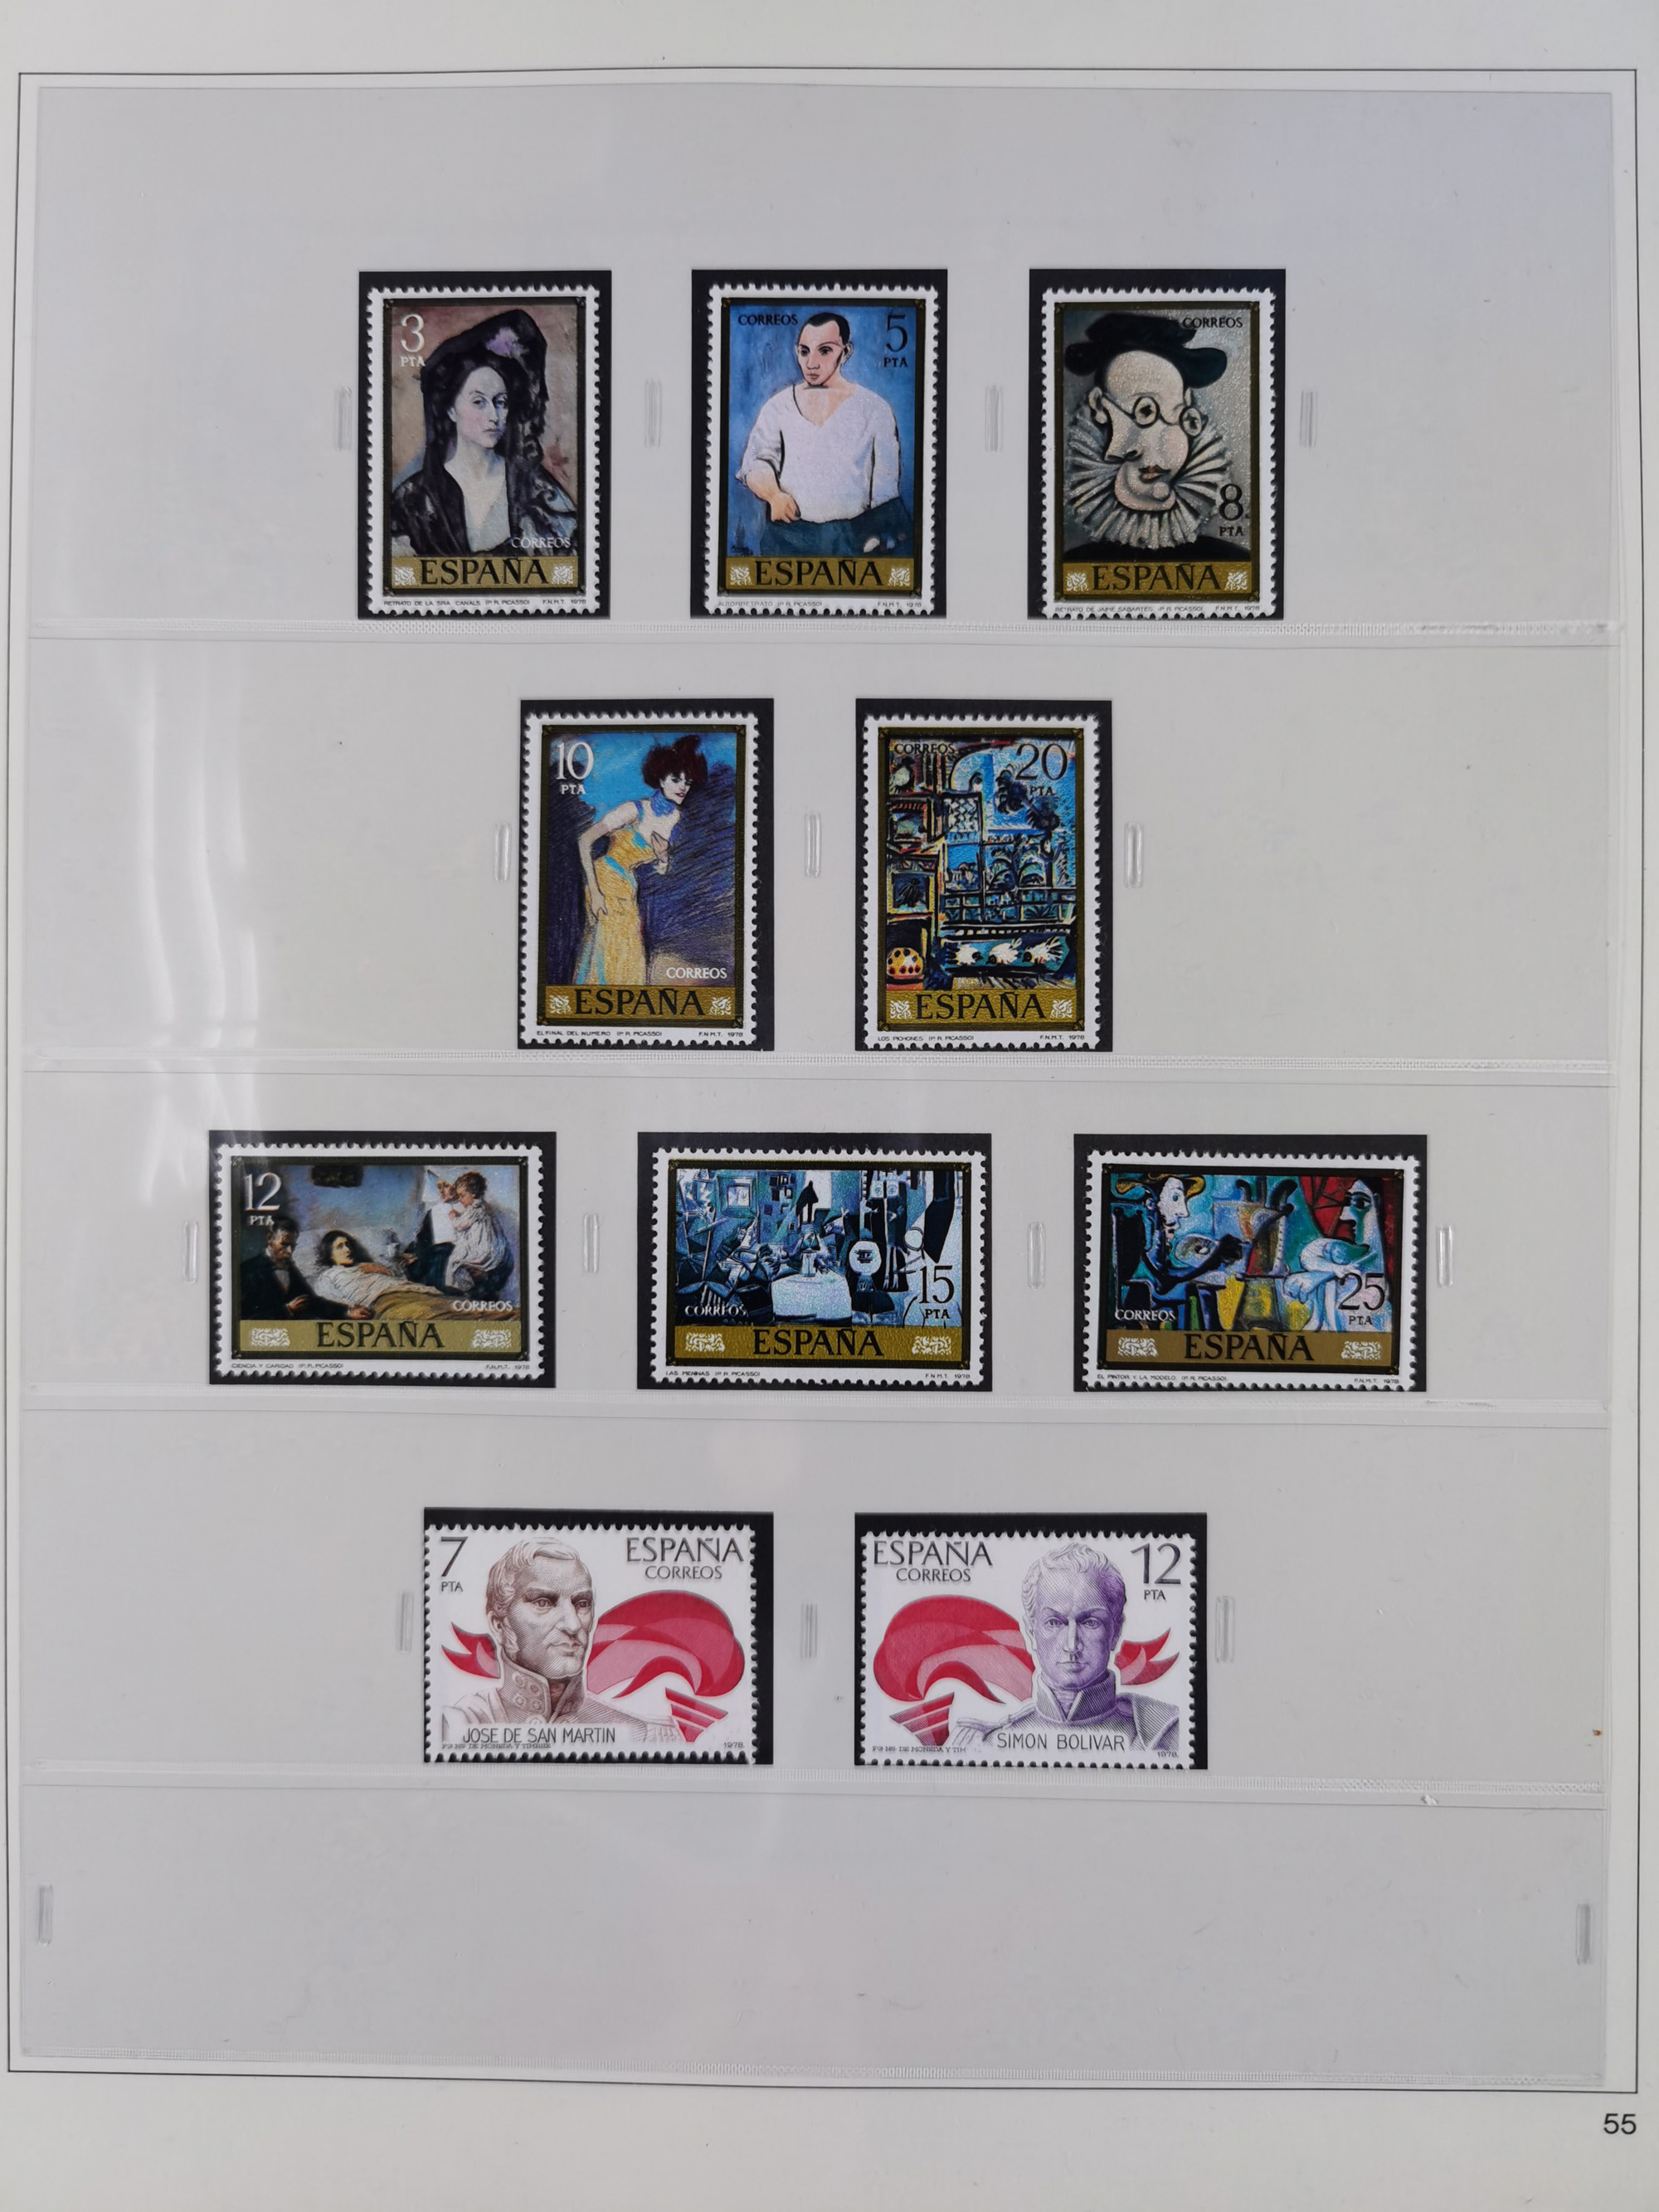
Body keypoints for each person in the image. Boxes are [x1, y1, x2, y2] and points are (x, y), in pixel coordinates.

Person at [950, 1544, 1180, 1755]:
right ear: (1031, 1631)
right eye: (1054, 1622)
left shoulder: (1166, 1734)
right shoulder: (980, 1746)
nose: (1072, 1645)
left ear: (1115, 1632)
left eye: (1090, 1622)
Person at [388, 307, 577, 559]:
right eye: (479, 402)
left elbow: (570, 562)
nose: (494, 416)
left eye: (501, 402)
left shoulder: (536, 489)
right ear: (451, 409)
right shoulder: (414, 499)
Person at [441, 1540, 676, 1743]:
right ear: (499, 1625)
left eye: (582, 1604)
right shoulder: (456, 1725)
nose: (573, 1625)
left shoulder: (647, 1736)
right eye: (543, 1603)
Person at [1063, 311, 1239, 563]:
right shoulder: (1075, 564)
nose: (1158, 444)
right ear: (1100, 406)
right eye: (1145, 412)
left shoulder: (1229, 559)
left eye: (1176, 415)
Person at [737, 310, 910, 557]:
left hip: (854, 540)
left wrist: (873, 543)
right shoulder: (778, 406)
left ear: (845, 352)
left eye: (825, 351)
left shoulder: (875, 409)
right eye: (804, 352)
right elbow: (756, 462)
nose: (811, 363)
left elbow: (885, 494)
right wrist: (774, 495)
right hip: (788, 538)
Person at [573, 735, 708, 988]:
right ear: (660, 779)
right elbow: (584, 840)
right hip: (604, 878)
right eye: (676, 779)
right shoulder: (634, 810)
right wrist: (595, 891)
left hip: (628, 885)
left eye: (688, 782)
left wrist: (663, 857)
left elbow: (662, 868)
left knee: (630, 948)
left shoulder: (675, 818)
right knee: (611, 946)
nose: (683, 787)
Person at [308, 1230, 460, 1321]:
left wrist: (382, 1270)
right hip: (384, 1303)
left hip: (411, 1292)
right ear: (329, 1254)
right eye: (340, 1247)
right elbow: (326, 1302)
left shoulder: (365, 1266)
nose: (347, 1250)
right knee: (437, 1317)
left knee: (455, 1308)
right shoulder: (329, 1275)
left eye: (347, 1244)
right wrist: (349, 1311)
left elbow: (398, 1278)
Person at [238, 1213, 345, 1321]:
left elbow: (311, 1301)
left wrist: (347, 1311)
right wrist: (287, 1310)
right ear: (270, 1239)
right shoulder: (248, 1269)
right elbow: (244, 1318)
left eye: (292, 1246)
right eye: (284, 1244)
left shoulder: (290, 1267)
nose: (289, 1251)